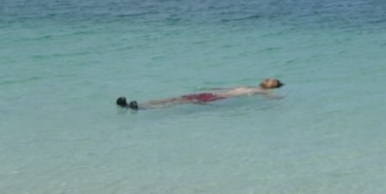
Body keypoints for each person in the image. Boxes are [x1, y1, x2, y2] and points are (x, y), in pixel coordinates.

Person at [116, 78, 283, 111]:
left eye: (271, 81)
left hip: (217, 98)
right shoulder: (249, 85)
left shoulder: (260, 91)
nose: (266, 80)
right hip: (212, 93)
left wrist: (276, 98)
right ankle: (132, 104)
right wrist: (210, 86)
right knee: (177, 98)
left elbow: (268, 98)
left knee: (179, 103)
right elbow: (227, 86)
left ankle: (142, 108)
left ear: (272, 87)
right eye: (268, 78)